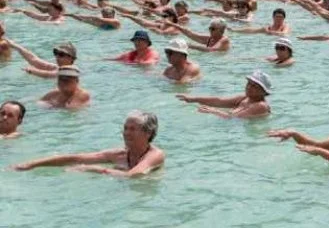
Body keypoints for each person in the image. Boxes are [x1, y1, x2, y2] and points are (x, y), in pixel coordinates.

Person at [12, 110, 165, 178]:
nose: (126, 133)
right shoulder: (119, 154)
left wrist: (93, 169)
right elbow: (76, 158)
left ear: (148, 133)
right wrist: (32, 164)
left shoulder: (155, 155)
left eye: (132, 129)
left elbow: (134, 175)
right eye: (125, 128)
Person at [176, 71, 272, 118]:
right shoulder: (245, 98)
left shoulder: (261, 106)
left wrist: (213, 111)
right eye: (249, 83)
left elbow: (235, 118)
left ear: (263, 91)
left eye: (254, 86)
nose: (249, 87)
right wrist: (193, 99)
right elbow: (219, 101)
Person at [9, 41, 77, 79]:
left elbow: (47, 75)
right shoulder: (57, 68)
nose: (57, 57)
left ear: (71, 58)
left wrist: (32, 70)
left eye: (61, 54)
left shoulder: (70, 71)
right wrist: (15, 46)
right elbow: (34, 60)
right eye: (56, 53)